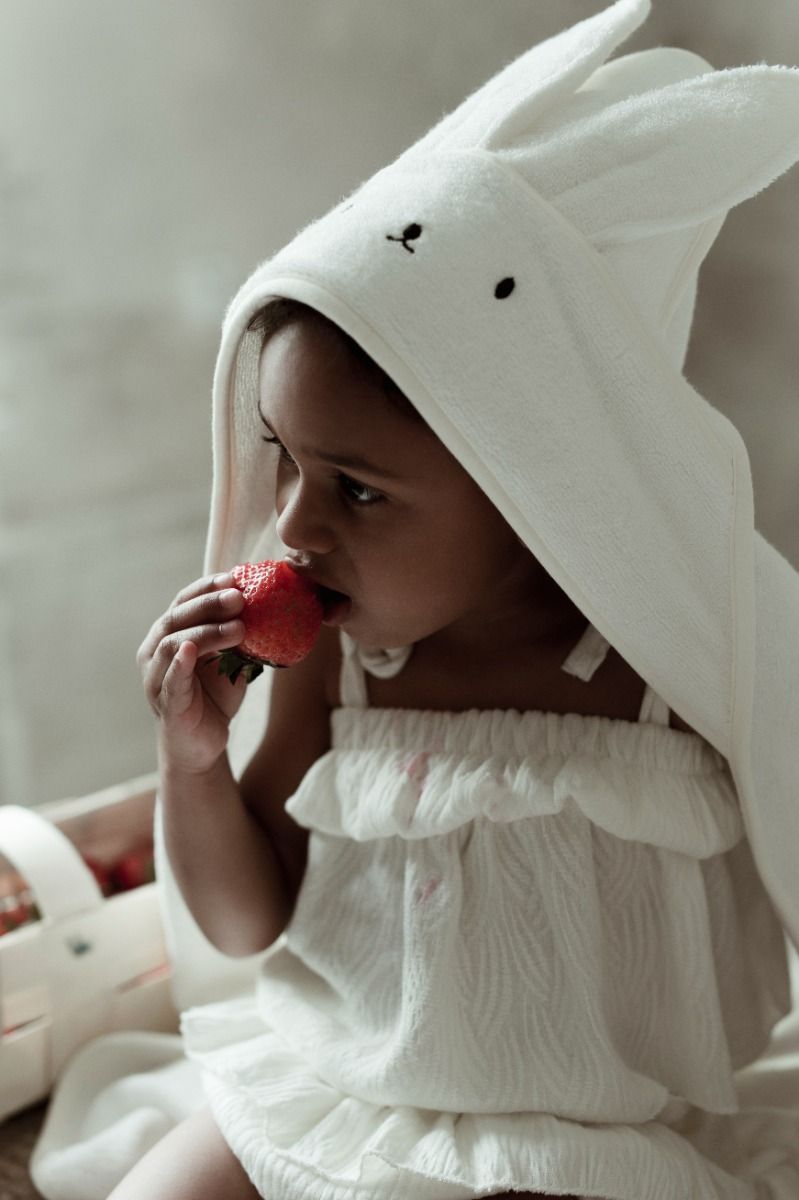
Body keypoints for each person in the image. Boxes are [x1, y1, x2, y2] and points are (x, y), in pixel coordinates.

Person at [126, 0, 799, 1196]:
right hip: (345, 1096)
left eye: (359, 490)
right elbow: (246, 924)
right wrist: (192, 762)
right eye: (284, 458)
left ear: (533, 485)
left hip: (583, 1143)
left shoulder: (679, 664)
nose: (296, 527)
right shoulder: (346, 663)